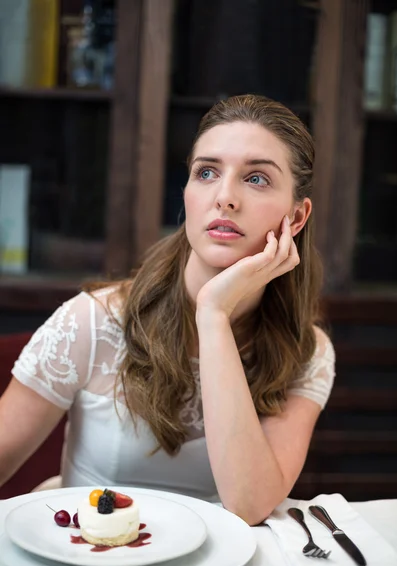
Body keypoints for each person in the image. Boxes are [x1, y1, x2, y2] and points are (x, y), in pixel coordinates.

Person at [0, 94, 335, 525]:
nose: (224, 197)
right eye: (207, 172)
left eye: (256, 179)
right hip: (89, 565)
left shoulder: (307, 350)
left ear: (296, 217)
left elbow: (248, 505)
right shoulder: (92, 322)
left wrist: (213, 315)